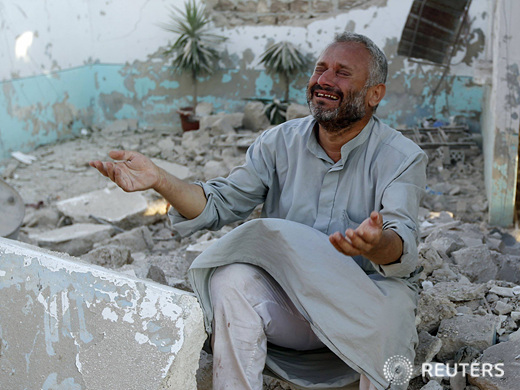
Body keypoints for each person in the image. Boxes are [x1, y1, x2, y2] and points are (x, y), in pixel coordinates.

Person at [90, 32, 427, 390]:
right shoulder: (277, 142)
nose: (324, 81)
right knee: (231, 280)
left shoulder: (401, 157)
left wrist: (376, 245)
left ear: (375, 93)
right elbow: (220, 203)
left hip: (361, 313)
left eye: (342, 73)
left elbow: (401, 240)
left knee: (394, 314)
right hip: (294, 307)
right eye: (320, 69)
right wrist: (160, 179)